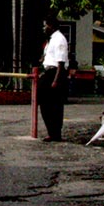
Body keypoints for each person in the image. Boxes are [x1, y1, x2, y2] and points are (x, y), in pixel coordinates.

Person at [37, 14, 69, 142]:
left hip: (55, 73)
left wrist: (56, 80)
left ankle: (55, 133)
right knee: (45, 104)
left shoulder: (59, 39)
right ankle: (51, 131)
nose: (44, 28)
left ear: (51, 26)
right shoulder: (50, 40)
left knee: (54, 105)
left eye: (45, 25)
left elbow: (60, 63)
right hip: (48, 71)